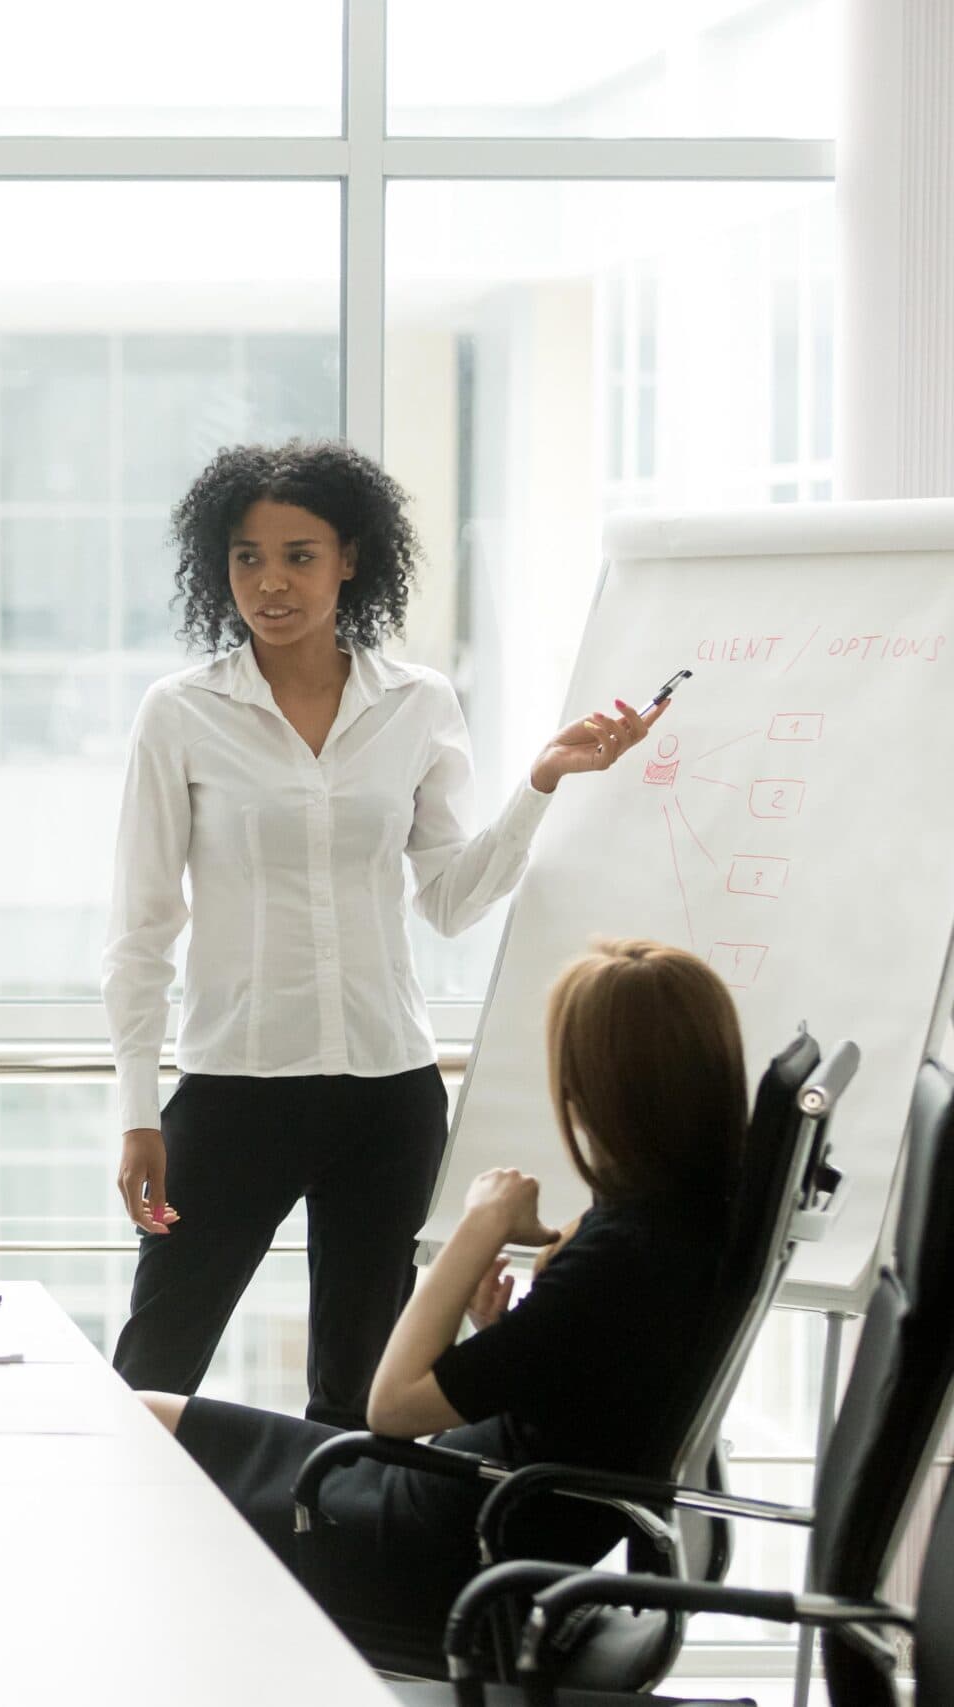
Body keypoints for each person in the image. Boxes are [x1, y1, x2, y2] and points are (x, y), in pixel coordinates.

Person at [102, 439, 662, 1425]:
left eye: (298, 554)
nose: (269, 582)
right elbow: (141, 931)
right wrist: (138, 1112)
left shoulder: (416, 704)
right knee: (153, 1365)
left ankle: (337, 1576)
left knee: (361, 1396)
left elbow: (448, 897)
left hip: (387, 1099)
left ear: (351, 558)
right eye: (245, 557)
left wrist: (540, 783)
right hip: (232, 1091)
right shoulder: (180, 715)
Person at [134, 939, 747, 1635]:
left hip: (427, 1548)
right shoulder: (682, 1223)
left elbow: (391, 1406)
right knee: (139, 1419)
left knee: (133, 1444)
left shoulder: (618, 1255)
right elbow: (587, 1388)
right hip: (456, 1504)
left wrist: (476, 1226)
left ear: (595, 1090)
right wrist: (498, 1336)